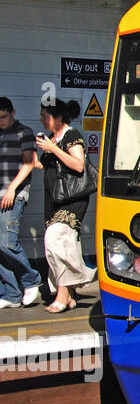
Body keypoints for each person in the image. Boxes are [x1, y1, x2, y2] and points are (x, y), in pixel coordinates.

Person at [34, 99, 96, 313]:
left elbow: (78, 165)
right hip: (55, 201)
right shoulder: (53, 138)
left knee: (55, 241)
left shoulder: (71, 136)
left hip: (72, 200)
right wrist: (35, 160)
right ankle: (70, 295)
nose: (42, 120)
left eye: (45, 116)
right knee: (64, 244)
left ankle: (64, 292)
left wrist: (53, 148)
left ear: (58, 117)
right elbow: (51, 167)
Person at [0, 97, 42, 308]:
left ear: (13, 112)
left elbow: (29, 163)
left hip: (13, 194)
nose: (2, 122)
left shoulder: (24, 132)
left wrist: (11, 189)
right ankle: (10, 294)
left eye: (4, 117)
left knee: (6, 243)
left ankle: (31, 279)